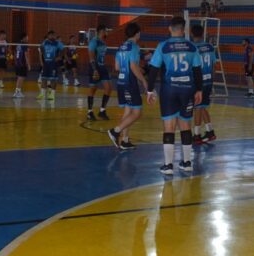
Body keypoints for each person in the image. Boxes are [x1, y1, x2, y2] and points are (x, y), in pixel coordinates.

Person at [145, 16, 203, 175]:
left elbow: (153, 70)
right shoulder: (192, 46)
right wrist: (199, 90)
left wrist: (150, 90)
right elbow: (198, 71)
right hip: (187, 89)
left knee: (169, 127)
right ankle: (187, 162)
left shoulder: (163, 46)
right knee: (185, 125)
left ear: (170, 28)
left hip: (169, 90)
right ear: (183, 30)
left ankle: (168, 165)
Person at [108, 22, 148, 151]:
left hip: (120, 82)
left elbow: (117, 67)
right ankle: (115, 131)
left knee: (128, 111)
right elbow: (132, 66)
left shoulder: (121, 47)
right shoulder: (135, 47)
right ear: (137, 33)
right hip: (130, 83)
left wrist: (138, 69)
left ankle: (125, 141)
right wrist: (143, 80)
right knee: (137, 113)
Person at [190, 24, 217, 145]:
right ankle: (210, 131)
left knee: (198, 108)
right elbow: (213, 65)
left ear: (191, 34)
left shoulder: (192, 48)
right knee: (203, 106)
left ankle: (196, 135)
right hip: (209, 80)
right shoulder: (210, 47)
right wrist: (212, 80)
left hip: (198, 82)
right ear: (202, 34)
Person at [87, 25, 113, 121]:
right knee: (93, 88)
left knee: (109, 88)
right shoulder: (94, 41)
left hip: (102, 67)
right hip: (95, 67)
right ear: (101, 31)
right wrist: (94, 69)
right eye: (106, 31)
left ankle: (102, 111)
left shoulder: (103, 42)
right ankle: (89, 112)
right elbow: (91, 57)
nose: (107, 32)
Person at [37, 30, 64, 101]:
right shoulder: (45, 42)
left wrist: (59, 57)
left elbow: (63, 49)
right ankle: (42, 94)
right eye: (50, 35)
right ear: (48, 35)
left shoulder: (57, 43)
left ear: (55, 35)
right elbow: (41, 48)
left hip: (53, 64)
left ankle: (52, 94)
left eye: (53, 35)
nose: (52, 36)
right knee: (43, 78)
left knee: (53, 79)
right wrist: (43, 57)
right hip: (46, 63)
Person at [12, 33, 29, 98]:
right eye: (27, 37)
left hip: (18, 63)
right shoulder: (24, 45)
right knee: (21, 77)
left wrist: (15, 61)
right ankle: (17, 92)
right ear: (24, 38)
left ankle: (18, 91)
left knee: (20, 77)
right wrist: (28, 63)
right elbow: (26, 54)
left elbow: (15, 53)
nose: (27, 38)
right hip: (22, 63)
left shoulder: (18, 44)